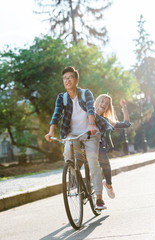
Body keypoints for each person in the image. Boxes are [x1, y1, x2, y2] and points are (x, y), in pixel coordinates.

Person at [45, 66, 107, 210]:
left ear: (76, 80)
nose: (67, 81)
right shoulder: (62, 97)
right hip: (73, 134)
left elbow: (91, 109)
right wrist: (51, 131)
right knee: (67, 152)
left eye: (70, 77)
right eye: (64, 78)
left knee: (92, 162)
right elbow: (57, 114)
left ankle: (98, 198)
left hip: (89, 132)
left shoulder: (86, 94)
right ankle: (73, 177)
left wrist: (92, 124)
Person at [94, 94, 131, 199]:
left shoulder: (106, 120)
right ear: (97, 102)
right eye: (102, 101)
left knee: (104, 161)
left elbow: (127, 124)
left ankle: (108, 184)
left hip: (99, 145)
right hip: (85, 143)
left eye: (106, 104)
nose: (104, 104)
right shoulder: (88, 113)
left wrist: (124, 107)